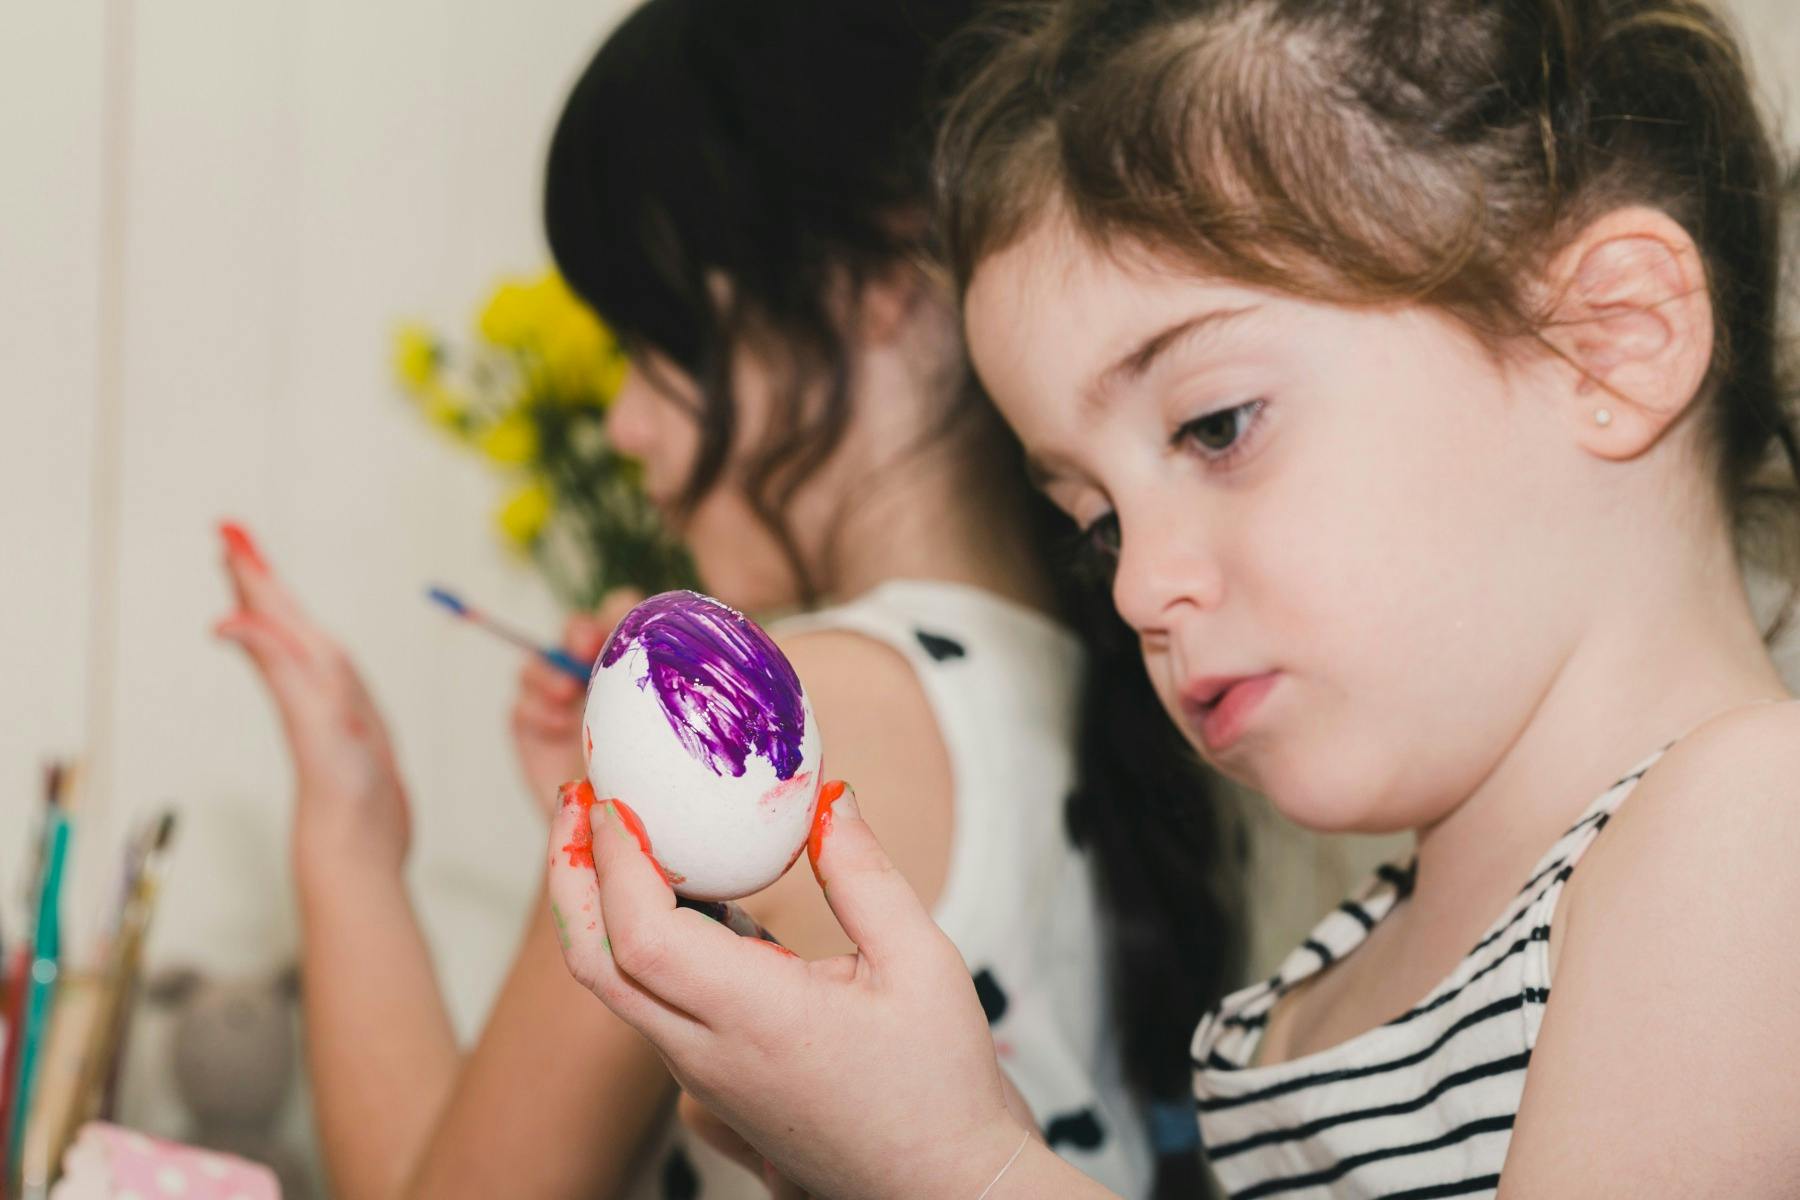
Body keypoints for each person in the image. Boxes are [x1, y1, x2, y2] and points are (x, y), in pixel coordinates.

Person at [548, 0, 1800, 1195]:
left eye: (1216, 425)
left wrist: (964, 1169)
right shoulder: (1341, 974)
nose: (1140, 584)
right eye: (1094, 522)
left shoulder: (1757, 829)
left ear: (1609, 341)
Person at [214, 1, 1242, 1195]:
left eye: (659, 341)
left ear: (876, 283)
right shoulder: (1086, 670)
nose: (625, 423)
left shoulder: (782, 726)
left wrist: (350, 841)